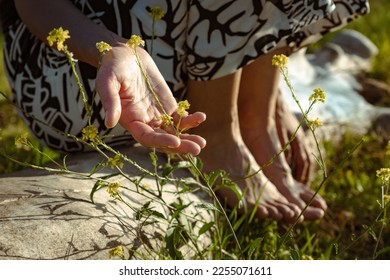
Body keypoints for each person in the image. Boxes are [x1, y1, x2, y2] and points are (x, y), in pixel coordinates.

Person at [0, 0, 369, 222]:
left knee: (264, 111)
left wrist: (262, 105)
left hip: (168, 59)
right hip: (77, 72)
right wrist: (113, 50)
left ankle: (250, 114)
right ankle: (220, 133)